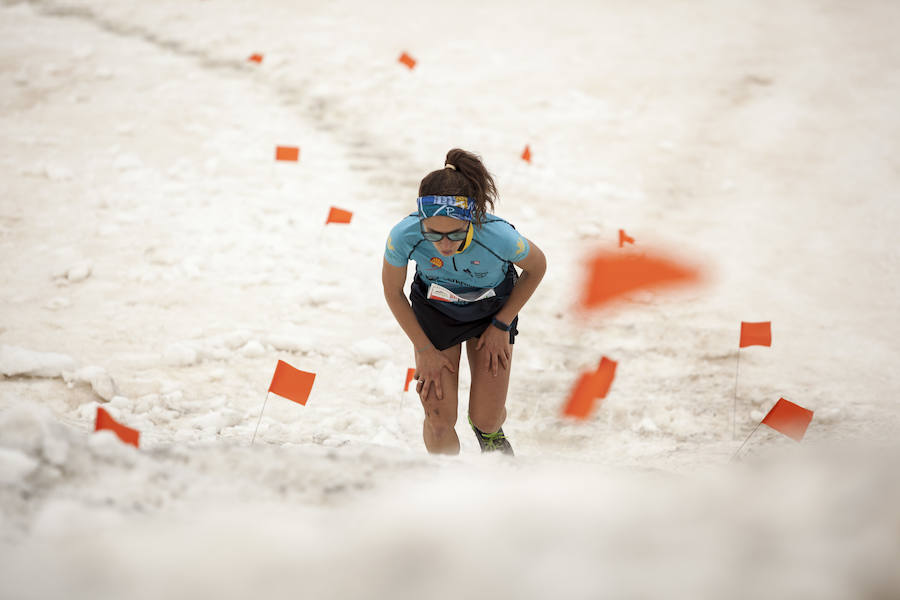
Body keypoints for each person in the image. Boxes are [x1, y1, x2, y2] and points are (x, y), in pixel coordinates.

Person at [382, 148, 547, 455]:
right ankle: (446, 478)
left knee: (486, 419)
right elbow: (393, 291)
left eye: (455, 234)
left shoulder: (499, 236)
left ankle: (490, 432)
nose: (445, 245)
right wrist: (424, 350)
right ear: (421, 221)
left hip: (492, 311)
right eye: (433, 234)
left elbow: (537, 267)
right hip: (436, 312)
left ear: (471, 221)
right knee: (438, 419)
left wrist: (501, 325)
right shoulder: (403, 236)